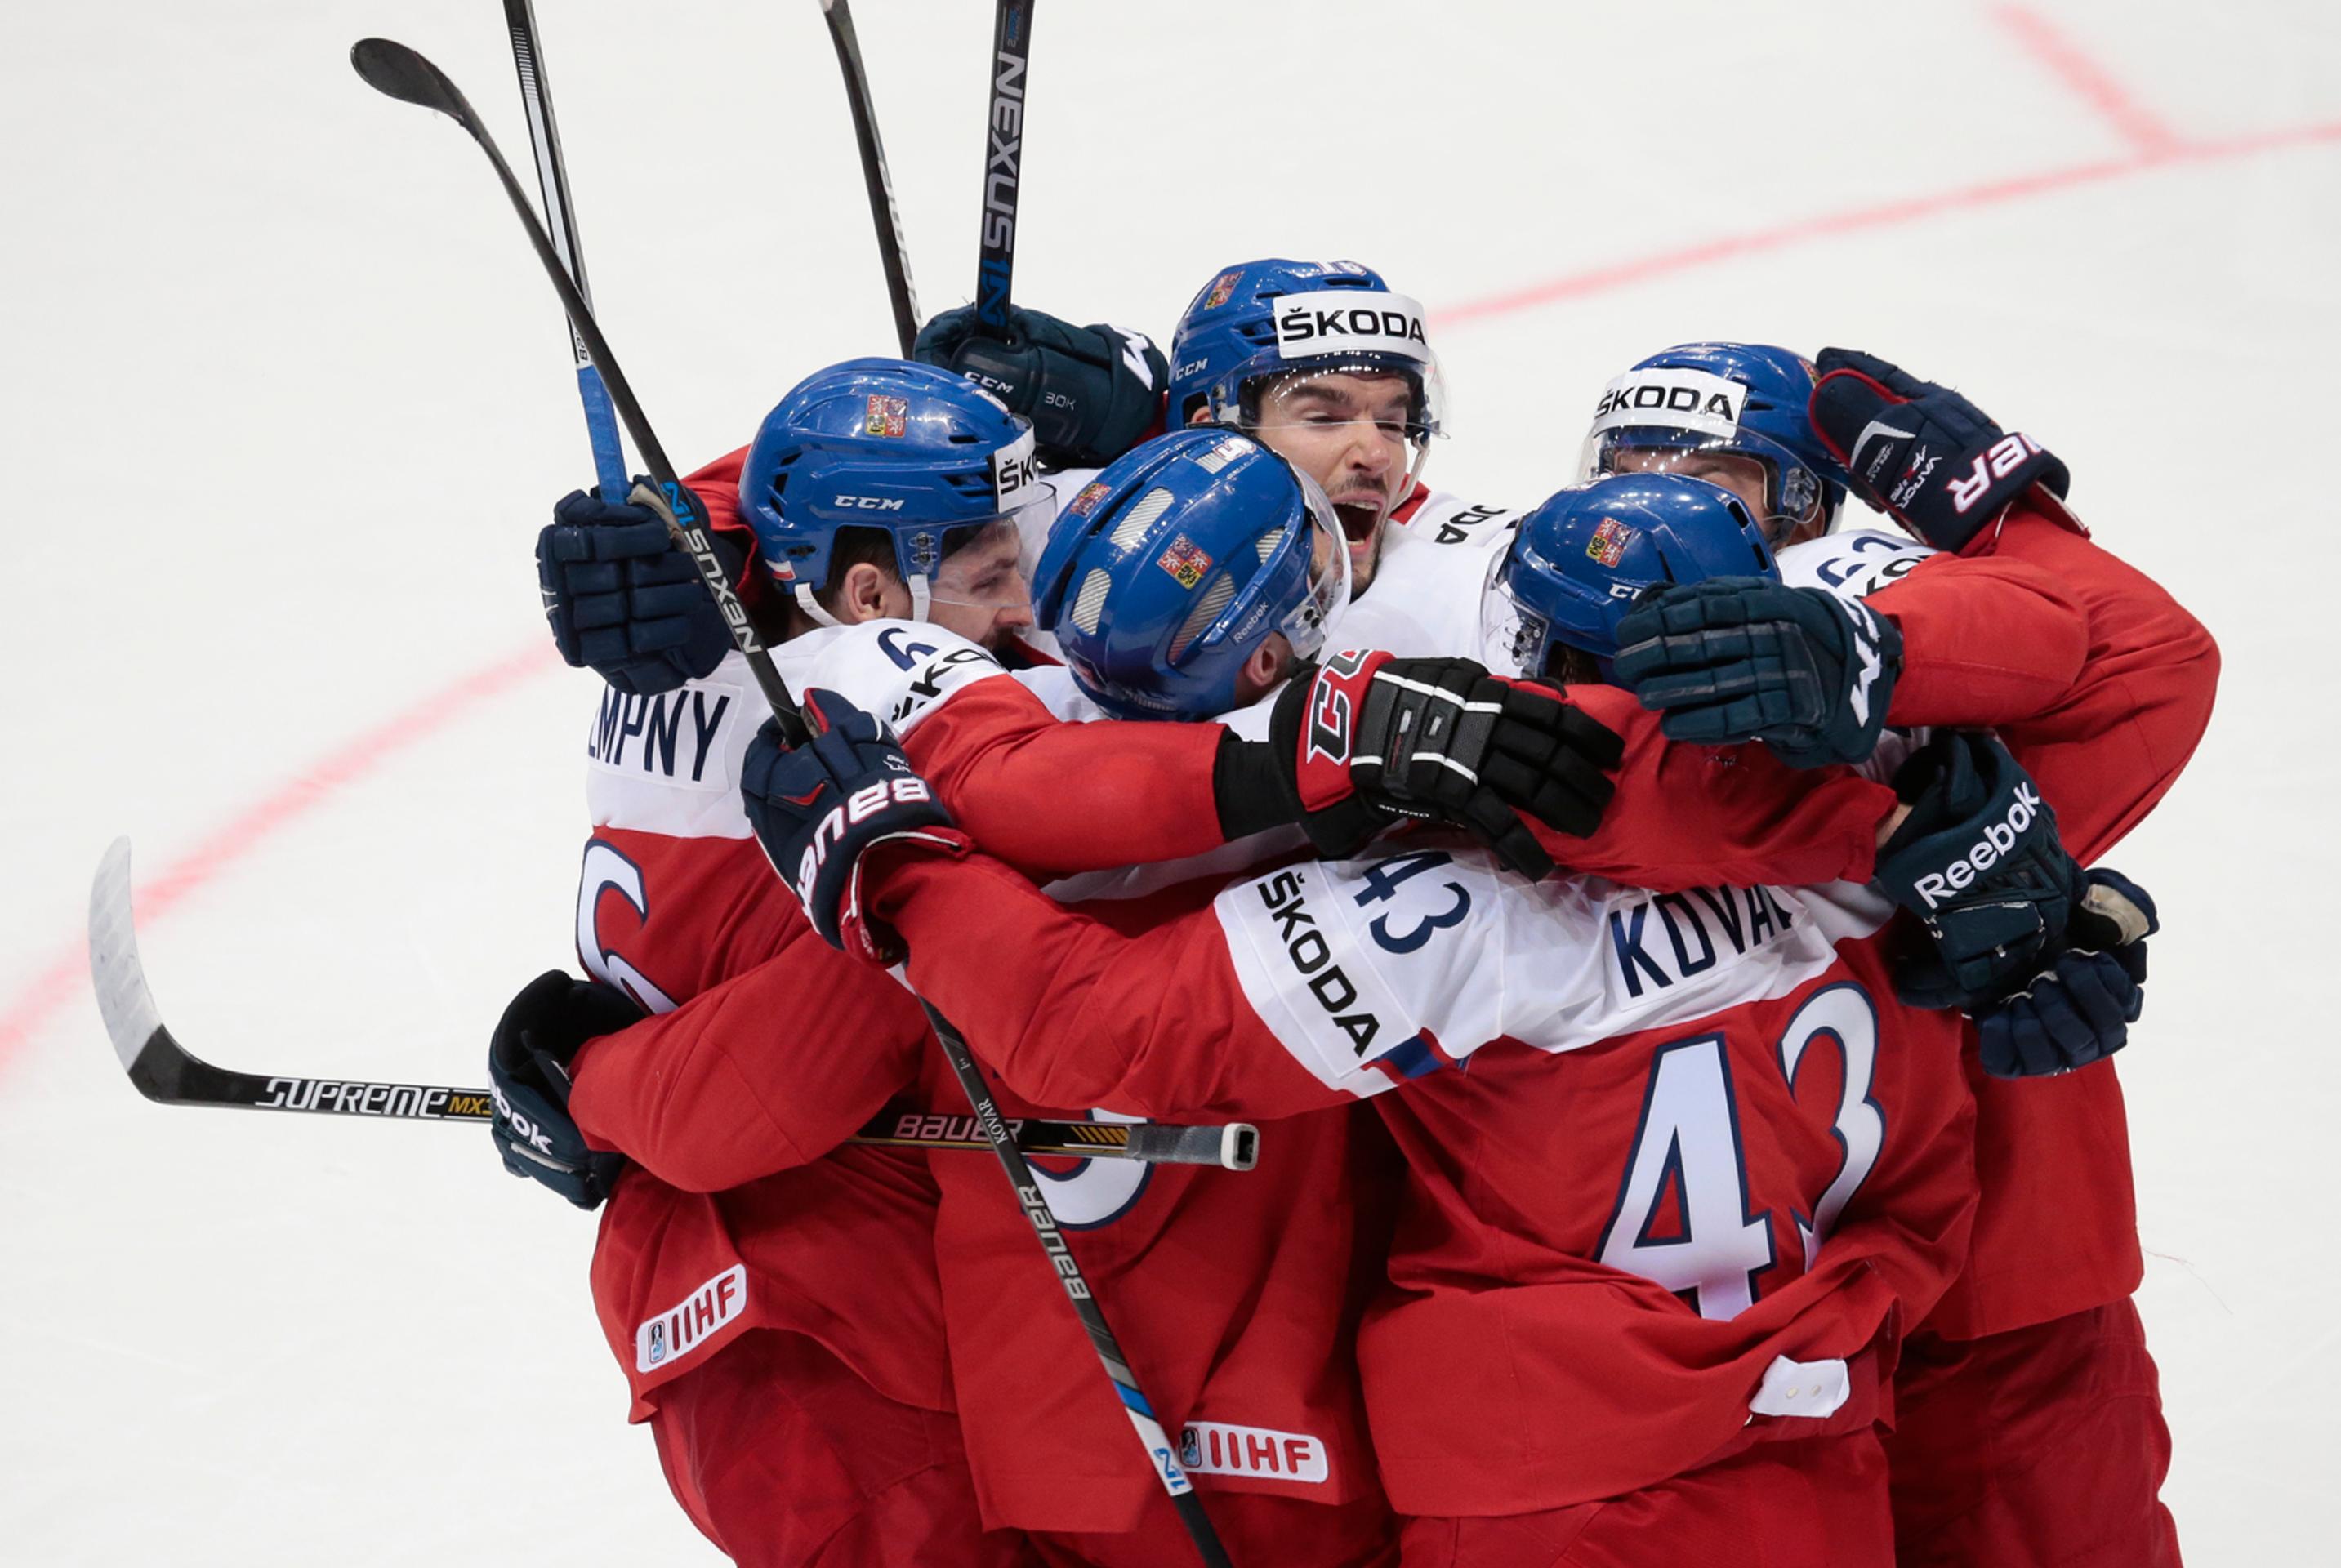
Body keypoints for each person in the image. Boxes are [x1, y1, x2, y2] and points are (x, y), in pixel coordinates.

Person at [733, 472, 2156, 1563]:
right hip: (1818, 1437)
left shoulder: (1472, 906)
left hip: (1546, 1478)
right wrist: (2068, 896)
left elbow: (1105, 1036)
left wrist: (887, 864)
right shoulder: (1899, 837)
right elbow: (2143, 666)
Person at [1607, 349, 2218, 1566]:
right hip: (1744, 1315)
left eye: (1716, 482)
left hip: (1994, 1279)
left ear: (1799, 508)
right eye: (1630, 471)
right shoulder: (1562, 626)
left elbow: (2149, 658)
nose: (1665, 504)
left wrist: (1922, 597)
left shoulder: (1878, 592)